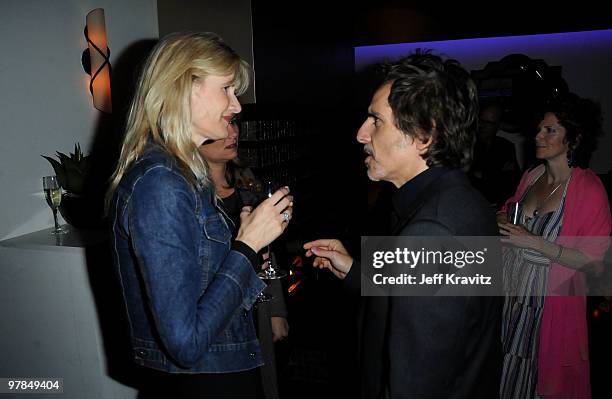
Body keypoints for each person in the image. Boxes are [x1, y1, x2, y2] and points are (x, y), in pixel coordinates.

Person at [304, 51, 502, 399]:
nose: (361, 134)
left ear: (424, 135)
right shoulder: (464, 201)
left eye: (376, 121)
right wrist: (354, 270)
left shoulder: (430, 233)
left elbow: (416, 382)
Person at [105, 32, 293, 398]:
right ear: (182, 88)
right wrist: (248, 244)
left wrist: (247, 245)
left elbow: (207, 290)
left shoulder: (185, 174)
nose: (236, 106)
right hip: (203, 382)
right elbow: (185, 343)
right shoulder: (160, 182)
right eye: (226, 89)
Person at [497, 93, 611, 398]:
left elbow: (594, 260)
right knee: (508, 367)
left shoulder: (588, 189)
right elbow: (509, 210)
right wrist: (499, 220)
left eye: (551, 130)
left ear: (573, 139)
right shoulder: (531, 176)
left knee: (540, 377)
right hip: (513, 293)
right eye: (539, 128)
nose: (538, 135)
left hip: (550, 301)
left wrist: (534, 242)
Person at [199, 119, 289, 399]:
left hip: (256, 306)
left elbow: (266, 251)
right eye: (222, 124)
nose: (234, 132)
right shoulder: (188, 193)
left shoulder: (246, 181)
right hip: (217, 312)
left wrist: (276, 310)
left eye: (234, 124)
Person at [469, 100, 520, 207]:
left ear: (498, 125)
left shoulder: (505, 147)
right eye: (481, 121)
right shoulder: (467, 146)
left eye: (489, 123)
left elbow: (511, 183)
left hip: (497, 207)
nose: (483, 126)